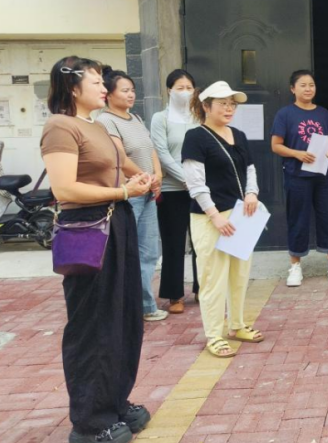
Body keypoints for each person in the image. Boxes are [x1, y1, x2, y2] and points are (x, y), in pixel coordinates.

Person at [41, 56, 153, 443]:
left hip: (116, 219)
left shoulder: (98, 125)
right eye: (95, 82)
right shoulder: (60, 126)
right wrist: (123, 191)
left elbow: (119, 166)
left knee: (123, 318)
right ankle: (89, 422)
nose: (104, 88)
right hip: (87, 227)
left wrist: (137, 178)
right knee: (92, 325)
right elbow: (64, 189)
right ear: (72, 88)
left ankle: (114, 402)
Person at [181, 80, 264, 358]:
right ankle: (214, 335)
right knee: (212, 278)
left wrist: (252, 193)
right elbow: (195, 183)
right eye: (223, 104)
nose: (229, 109)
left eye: (232, 104)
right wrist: (214, 215)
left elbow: (250, 169)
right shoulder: (196, 137)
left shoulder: (238, 134)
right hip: (211, 218)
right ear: (206, 106)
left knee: (239, 274)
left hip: (242, 213)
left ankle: (237, 325)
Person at [98, 67, 168, 323]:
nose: (130, 94)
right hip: (129, 193)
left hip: (146, 192)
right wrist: (146, 179)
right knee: (129, 252)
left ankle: (145, 305)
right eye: (124, 90)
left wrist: (157, 175)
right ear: (108, 94)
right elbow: (120, 158)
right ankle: (131, 308)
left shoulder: (135, 118)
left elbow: (150, 150)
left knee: (149, 252)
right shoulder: (106, 121)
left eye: (132, 90)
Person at [271, 70, 328, 288]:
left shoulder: (323, 114)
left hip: (322, 176)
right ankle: (295, 266)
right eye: (303, 85)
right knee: (298, 219)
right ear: (292, 89)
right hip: (297, 175)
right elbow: (276, 145)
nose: (308, 89)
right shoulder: (285, 114)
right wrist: (297, 154)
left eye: (311, 85)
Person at [151, 70, 200, 314]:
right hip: (173, 190)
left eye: (189, 87)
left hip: (200, 190)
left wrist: (197, 182)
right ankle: (175, 295)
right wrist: (186, 178)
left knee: (202, 242)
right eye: (180, 88)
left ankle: (203, 289)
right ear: (169, 90)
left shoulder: (200, 116)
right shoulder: (160, 118)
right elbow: (161, 153)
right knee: (173, 243)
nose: (185, 92)